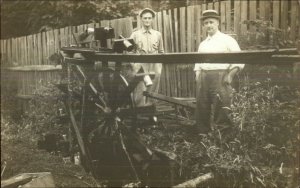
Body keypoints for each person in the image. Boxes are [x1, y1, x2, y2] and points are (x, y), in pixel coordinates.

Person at [194, 10, 244, 133]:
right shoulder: (203, 44)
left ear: (217, 23)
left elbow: (240, 60)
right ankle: (203, 137)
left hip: (221, 76)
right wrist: (198, 75)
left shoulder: (227, 40)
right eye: (206, 23)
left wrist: (230, 75)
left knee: (221, 108)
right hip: (204, 78)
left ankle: (223, 139)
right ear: (203, 26)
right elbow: (198, 63)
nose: (209, 25)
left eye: (211, 22)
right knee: (202, 107)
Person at [129, 8, 164, 107]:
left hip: (154, 66)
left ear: (152, 19)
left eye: (149, 18)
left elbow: (161, 52)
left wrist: (159, 67)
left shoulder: (158, 34)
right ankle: (140, 116)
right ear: (141, 19)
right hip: (141, 66)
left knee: (153, 91)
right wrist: (135, 67)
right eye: (145, 18)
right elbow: (130, 53)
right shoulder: (135, 34)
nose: (147, 20)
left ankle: (151, 115)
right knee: (140, 90)